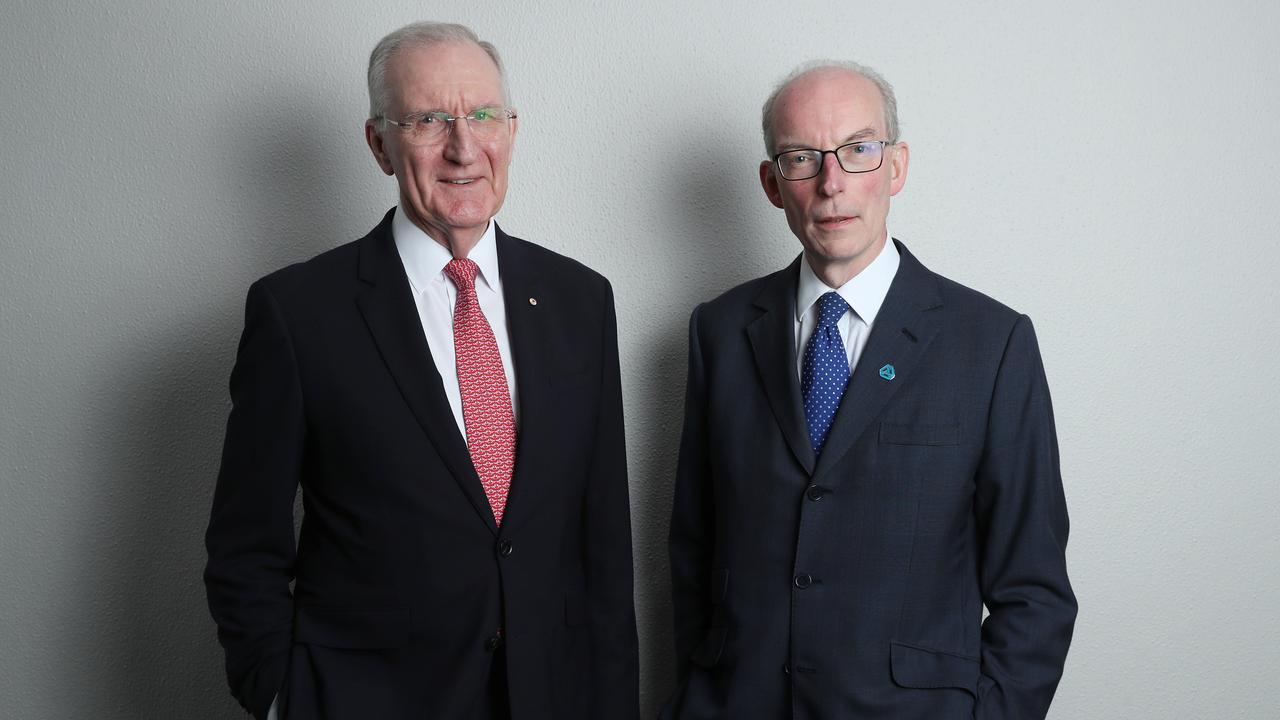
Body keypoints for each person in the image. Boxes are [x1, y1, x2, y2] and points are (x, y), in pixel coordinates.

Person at [204, 22, 638, 720]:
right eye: (430, 119)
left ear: (512, 130)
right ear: (380, 143)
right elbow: (244, 545)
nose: (464, 147)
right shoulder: (298, 312)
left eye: (484, 116)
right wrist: (282, 694)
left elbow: (603, 552)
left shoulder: (580, 301)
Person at [665, 62, 1076, 720]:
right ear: (773, 184)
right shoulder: (719, 331)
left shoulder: (991, 344)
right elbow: (693, 550)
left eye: (858, 150)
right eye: (802, 158)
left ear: (896, 167)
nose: (832, 184)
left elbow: (1035, 592)